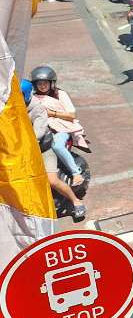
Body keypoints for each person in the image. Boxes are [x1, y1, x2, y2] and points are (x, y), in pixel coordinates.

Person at [24, 79, 85, 221]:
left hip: (42, 148)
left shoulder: (37, 108)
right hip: (22, 149)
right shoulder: (13, 107)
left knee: (51, 180)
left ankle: (76, 201)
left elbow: (37, 133)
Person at [28, 66, 90, 194]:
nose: (42, 86)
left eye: (45, 83)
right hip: (41, 129)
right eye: (39, 83)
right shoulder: (33, 98)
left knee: (57, 146)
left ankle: (75, 173)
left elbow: (72, 115)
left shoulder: (60, 94)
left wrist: (51, 113)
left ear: (51, 83)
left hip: (60, 129)